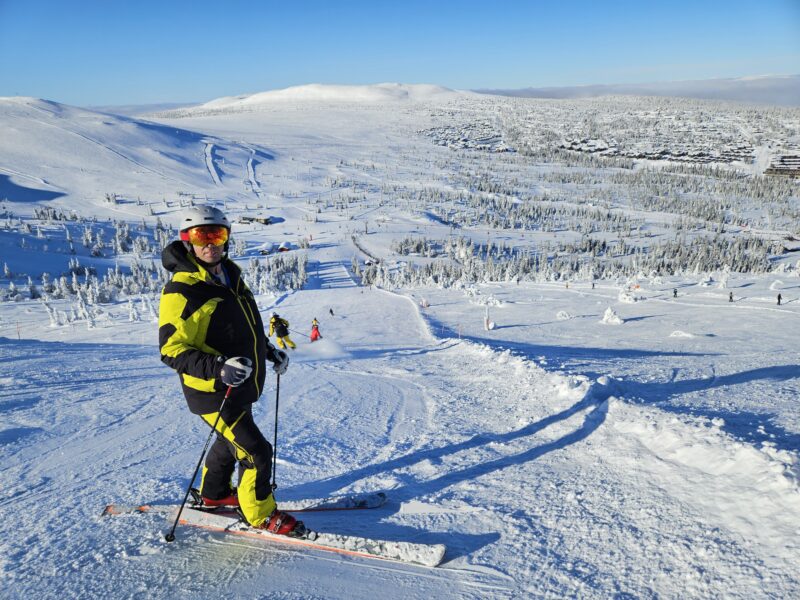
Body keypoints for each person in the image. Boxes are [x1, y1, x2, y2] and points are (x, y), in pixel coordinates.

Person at [158, 205, 299, 536]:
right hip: (211, 391)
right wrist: (219, 367)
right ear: (187, 241)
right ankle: (261, 515)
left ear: (226, 239)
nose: (209, 244)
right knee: (256, 451)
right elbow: (170, 349)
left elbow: (243, 328)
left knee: (228, 443)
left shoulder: (229, 275)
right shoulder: (183, 289)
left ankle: (214, 494)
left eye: (217, 235)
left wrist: (268, 352)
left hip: (239, 386)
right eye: (200, 236)